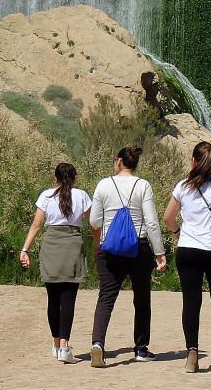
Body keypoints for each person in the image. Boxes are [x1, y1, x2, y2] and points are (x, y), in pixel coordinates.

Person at [163, 141, 211, 373]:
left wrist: (178, 233)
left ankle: (192, 354)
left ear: (193, 162)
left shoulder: (182, 187)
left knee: (191, 302)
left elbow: (168, 218)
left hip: (188, 250)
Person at [88, 145, 167, 367]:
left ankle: (98, 344)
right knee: (142, 299)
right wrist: (159, 252)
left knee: (106, 297)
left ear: (119, 161)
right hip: (138, 248)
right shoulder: (143, 185)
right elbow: (151, 222)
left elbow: (94, 221)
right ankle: (141, 349)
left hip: (109, 249)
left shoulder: (104, 184)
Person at [20, 162, 92, 364]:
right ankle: (64, 347)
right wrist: (99, 243)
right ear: (75, 178)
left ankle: (55, 344)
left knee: (53, 299)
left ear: (56, 178)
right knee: (68, 300)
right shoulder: (82, 196)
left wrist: (24, 249)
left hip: (51, 246)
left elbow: (36, 225)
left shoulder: (46, 196)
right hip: (73, 246)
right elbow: (94, 222)